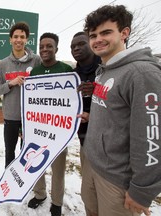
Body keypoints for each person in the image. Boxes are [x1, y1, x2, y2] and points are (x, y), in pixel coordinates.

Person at [80, 5, 161, 216]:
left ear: (124, 33)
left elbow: (152, 135)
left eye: (106, 32)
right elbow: (114, 109)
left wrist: (142, 190)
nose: (98, 39)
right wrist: (91, 116)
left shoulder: (141, 73)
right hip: (93, 165)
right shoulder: (105, 70)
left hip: (117, 180)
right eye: (93, 35)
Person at [26, 32, 72, 216]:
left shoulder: (67, 70)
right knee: (37, 163)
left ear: (56, 48)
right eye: (42, 46)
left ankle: (57, 201)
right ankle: (40, 194)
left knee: (58, 169)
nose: (45, 49)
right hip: (38, 129)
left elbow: (71, 102)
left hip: (58, 131)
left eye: (49, 46)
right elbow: (29, 103)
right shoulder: (35, 71)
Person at [0, 21, 41, 168]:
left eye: (22, 36)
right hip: (11, 116)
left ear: (27, 39)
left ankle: (24, 181)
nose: (18, 40)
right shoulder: (3, 64)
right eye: (15, 37)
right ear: (10, 39)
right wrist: (11, 83)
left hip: (30, 116)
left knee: (27, 152)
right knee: (10, 151)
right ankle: (8, 180)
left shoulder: (36, 61)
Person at [70, 32, 101, 167]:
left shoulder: (105, 69)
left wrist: (97, 91)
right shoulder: (73, 76)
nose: (76, 48)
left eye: (81, 44)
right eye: (73, 46)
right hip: (84, 139)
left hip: (108, 145)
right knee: (87, 185)